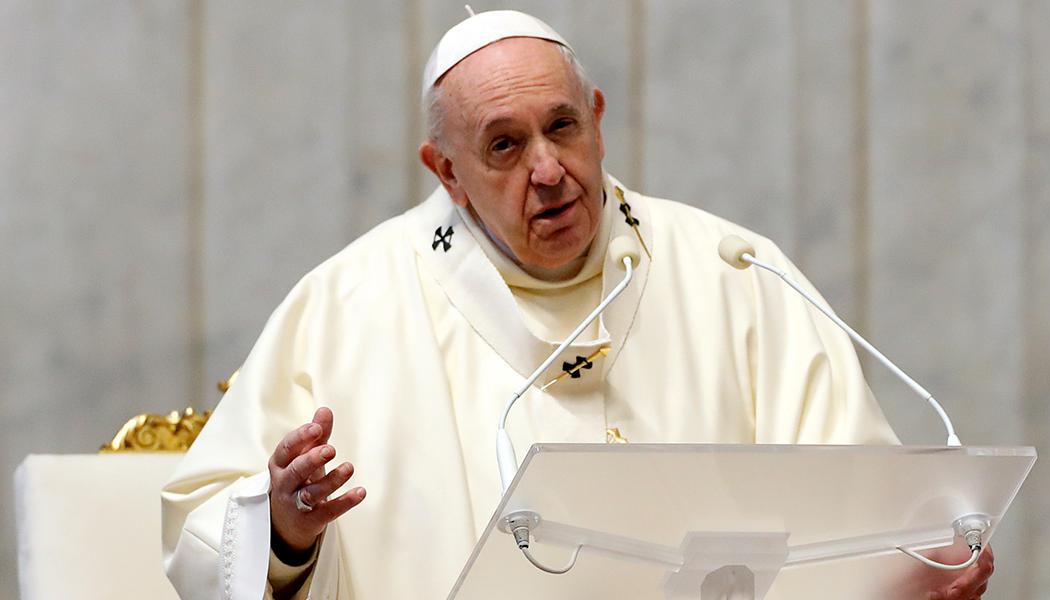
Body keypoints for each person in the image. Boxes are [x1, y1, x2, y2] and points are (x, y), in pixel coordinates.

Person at [162, 10, 993, 600]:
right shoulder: (345, 307)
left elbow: (857, 497)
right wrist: (283, 529)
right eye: (504, 145)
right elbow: (206, 536)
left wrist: (903, 566)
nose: (549, 168)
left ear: (597, 121)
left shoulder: (735, 272)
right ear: (445, 171)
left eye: (562, 127)